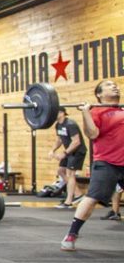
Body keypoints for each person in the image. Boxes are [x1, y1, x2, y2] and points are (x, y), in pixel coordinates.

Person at [60, 80, 123, 252]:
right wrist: (86, 112)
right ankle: (72, 234)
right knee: (92, 198)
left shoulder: (122, 109)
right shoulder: (96, 111)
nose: (115, 86)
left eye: (115, 84)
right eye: (109, 85)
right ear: (99, 94)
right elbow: (93, 133)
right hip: (106, 163)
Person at [48, 107, 87, 209]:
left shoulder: (70, 124)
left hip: (78, 151)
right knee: (61, 171)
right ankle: (78, 194)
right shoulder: (58, 125)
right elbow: (59, 139)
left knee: (70, 174)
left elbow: (76, 142)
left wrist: (64, 153)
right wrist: (52, 150)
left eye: (54, 112)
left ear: (61, 113)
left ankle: (69, 201)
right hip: (69, 152)